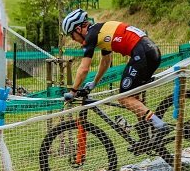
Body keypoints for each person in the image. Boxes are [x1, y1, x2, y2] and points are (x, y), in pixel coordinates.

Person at [61, 8, 173, 147]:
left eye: (72, 36)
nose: (73, 39)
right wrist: (94, 83)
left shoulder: (91, 36)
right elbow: (106, 62)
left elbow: (84, 68)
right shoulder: (101, 31)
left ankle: (160, 125)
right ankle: (145, 138)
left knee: (124, 97)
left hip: (142, 54)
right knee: (134, 97)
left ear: (78, 29)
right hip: (150, 52)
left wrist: (73, 91)